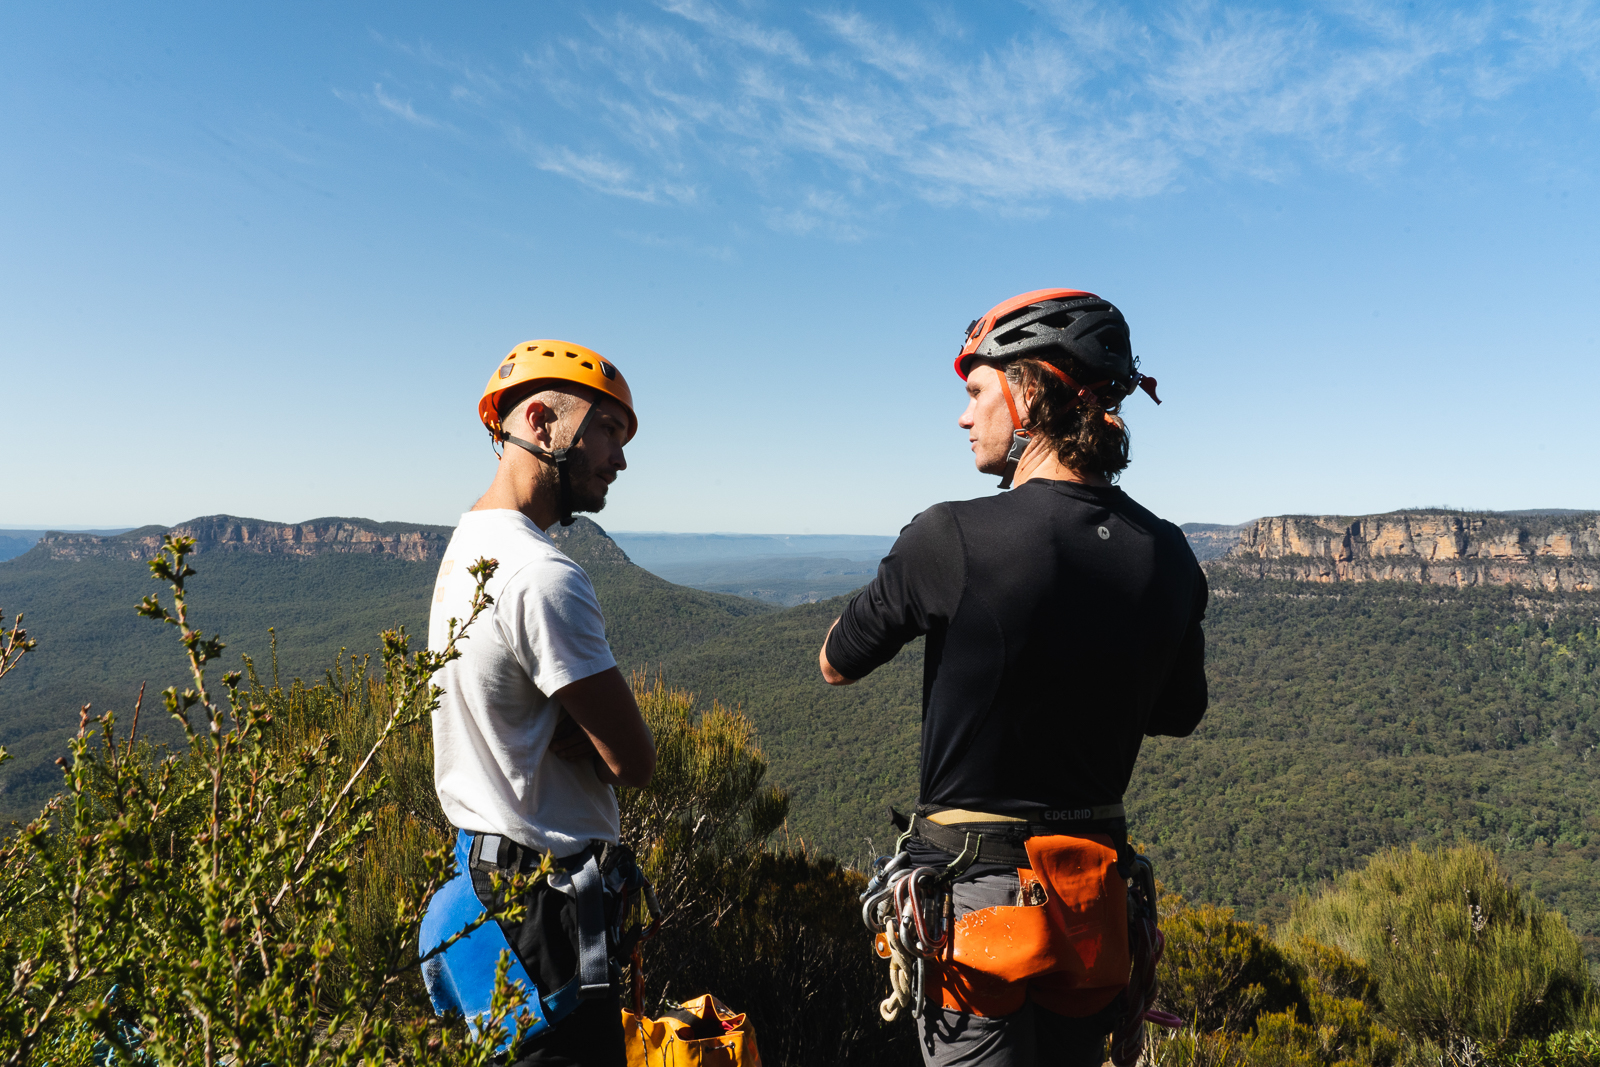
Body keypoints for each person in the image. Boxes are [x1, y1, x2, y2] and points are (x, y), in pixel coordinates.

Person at [819, 289, 1208, 1067]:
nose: (965, 417)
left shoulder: (952, 535)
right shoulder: (1167, 554)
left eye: (974, 390)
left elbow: (837, 661)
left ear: (1028, 392)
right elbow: (1179, 711)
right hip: (1092, 908)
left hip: (974, 908)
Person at [424, 339, 657, 1067]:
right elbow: (636, 760)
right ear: (541, 421)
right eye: (607, 431)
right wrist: (591, 738)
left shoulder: (471, 545)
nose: (619, 458)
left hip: (479, 887)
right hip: (543, 921)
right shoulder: (541, 574)